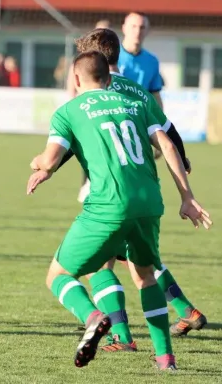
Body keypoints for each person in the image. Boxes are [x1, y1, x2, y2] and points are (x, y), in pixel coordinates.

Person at [27, 51, 212, 370]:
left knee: (58, 274)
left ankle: (94, 317)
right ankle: (165, 358)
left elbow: (51, 159)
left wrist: (39, 164)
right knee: (145, 277)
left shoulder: (68, 111)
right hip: (149, 203)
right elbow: (167, 145)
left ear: (75, 79)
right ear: (110, 78)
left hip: (108, 205)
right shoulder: (136, 104)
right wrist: (187, 197)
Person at [67, 19, 111, 203]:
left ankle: (97, 186)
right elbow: (72, 83)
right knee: (89, 149)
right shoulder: (83, 60)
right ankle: (88, 183)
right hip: (87, 112)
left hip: (108, 114)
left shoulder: (112, 62)